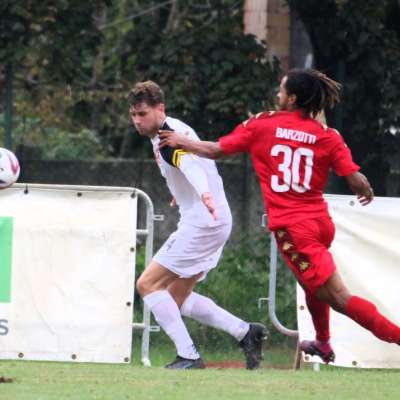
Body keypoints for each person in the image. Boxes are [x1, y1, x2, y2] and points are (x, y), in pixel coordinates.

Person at [159, 68, 400, 363]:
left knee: (339, 298)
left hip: (294, 229)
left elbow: (217, 150)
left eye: (281, 90)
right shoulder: (328, 135)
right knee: (312, 284)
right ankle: (323, 343)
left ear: (292, 98)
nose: (277, 94)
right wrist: (366, 189)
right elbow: (356, 180)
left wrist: (183, 141)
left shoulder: (263, 124)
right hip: (321, 224)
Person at [128, 81, 267, 370]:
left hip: (203, 221)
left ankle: (189, 356)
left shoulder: (169, 138)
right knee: (177, 297)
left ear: (159, 109)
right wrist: (181, 192)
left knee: (147, 284)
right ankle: (246, 332)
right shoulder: (173, 129)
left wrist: (202, 192)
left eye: (142, 114)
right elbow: (188, 166)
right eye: (133, 115)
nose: (137, 121)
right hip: (213, 219)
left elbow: (189, 165)